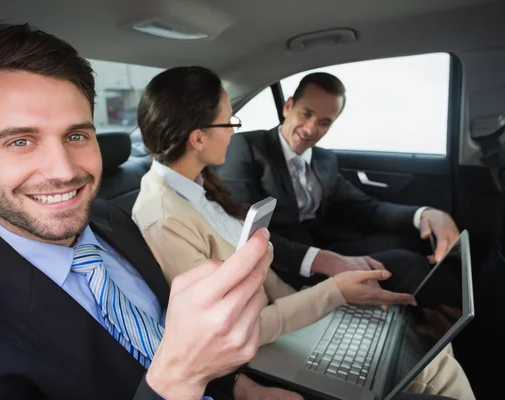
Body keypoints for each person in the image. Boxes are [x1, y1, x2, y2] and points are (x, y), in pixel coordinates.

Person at [0, 23, 305, 400]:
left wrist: (241, 388)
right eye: (20, 141)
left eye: (76, 135)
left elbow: (166, 329)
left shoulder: (111, 219)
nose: (64, 171)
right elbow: (181, 364)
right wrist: (179, 379)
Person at [131, 66, 475, 400]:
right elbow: (232, 331)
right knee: (432, 368)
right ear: (198, 137)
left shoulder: (202, 186)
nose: (234, 131)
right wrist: (332, 293)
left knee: (433, 356)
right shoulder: (164, 217)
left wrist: (325, 300)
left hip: (289, 313)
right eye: (229, 121)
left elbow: (269, 278)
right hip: (263, 347)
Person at [216, 72, 460, 292]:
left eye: (324, 122)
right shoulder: (247, 147)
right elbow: (241, 228)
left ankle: (431, 317)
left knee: (415, 240)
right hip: (280, 262)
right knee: (409, 264)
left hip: (327, 245)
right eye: (306, 113)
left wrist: (424, 214)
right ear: (288, 106)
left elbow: (367, 207)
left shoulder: (325, 160)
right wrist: (323, 260)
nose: (311, 129)